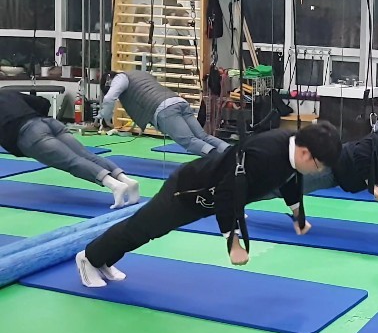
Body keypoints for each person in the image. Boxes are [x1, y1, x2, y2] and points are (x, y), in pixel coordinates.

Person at [75, 121, 342, 288]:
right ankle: (89, 258)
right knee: (144, 227)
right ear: (305, 152)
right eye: (319, 166)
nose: (318, 172)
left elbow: (289, 179)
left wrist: (297, 214)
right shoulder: (265, 155)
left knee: (149, 231)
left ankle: (104, 261)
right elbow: (227, 194)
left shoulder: (290, 151)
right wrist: (233, 244)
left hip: (208, 195)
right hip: (189, 190)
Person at [0, 89, 139, 209]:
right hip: (50, 123)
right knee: (86, 155)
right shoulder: (6, 92)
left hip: (29, 134)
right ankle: (126, 180)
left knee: (72, 162)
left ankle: (115, 185)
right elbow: (43, 102)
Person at [98, 70, 230, 156]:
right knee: (202, 136)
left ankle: (218, 159)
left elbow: (109, 98)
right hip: (178, 101)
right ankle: (231, 152)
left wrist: (106, 118)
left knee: (189, 141)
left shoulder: (120, 78)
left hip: (164, 109)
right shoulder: (138, 73)